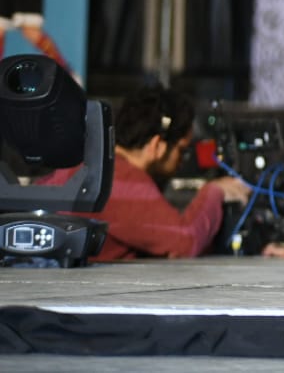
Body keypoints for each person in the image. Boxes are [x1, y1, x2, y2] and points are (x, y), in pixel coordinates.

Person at [39, 87, 258, 261]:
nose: (183, 161)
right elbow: (185, 240)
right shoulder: (122, 178)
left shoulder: (84, 165)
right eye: (182, 150)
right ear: (157, 145)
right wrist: (215, 191)